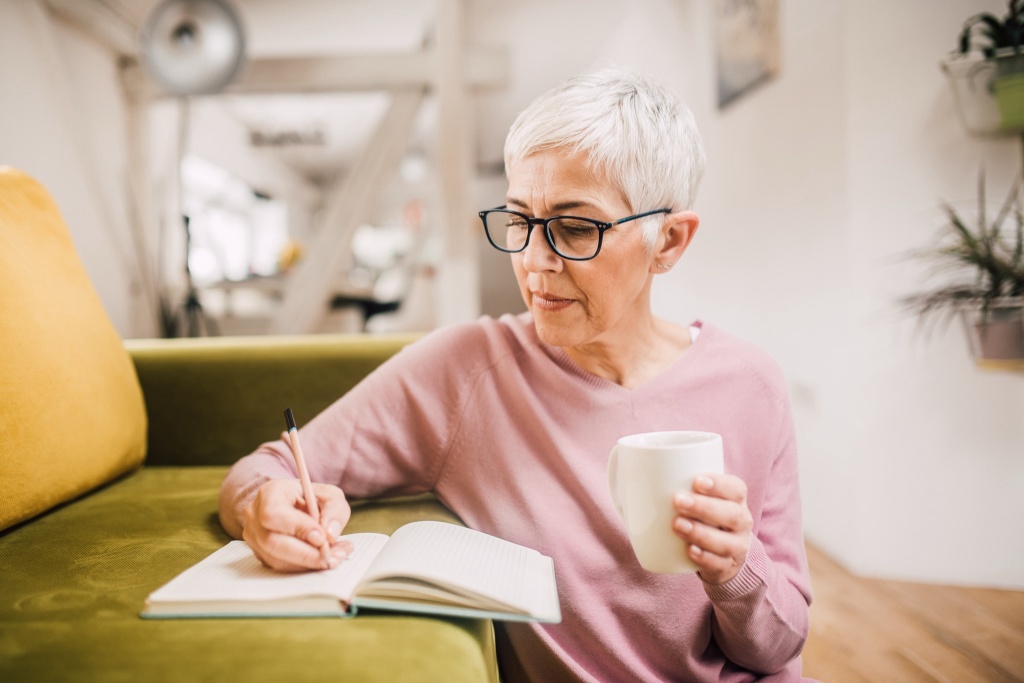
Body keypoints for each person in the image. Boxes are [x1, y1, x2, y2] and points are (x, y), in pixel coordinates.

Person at [219, 67, 812, 682]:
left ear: (668, 241)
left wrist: (735, 571)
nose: (532, 263)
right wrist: (266, 507)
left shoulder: (751, 385)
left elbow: (775, 650)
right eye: (520, 220)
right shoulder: (467, 371)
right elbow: (270, 467)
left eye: (576, 228)